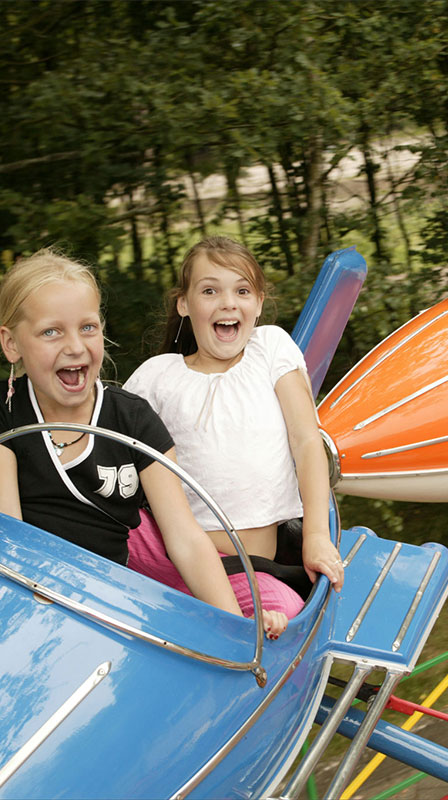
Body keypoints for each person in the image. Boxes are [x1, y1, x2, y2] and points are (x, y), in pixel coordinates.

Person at [0, 247, 288, 638]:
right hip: (37, 588)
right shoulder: (1, 408)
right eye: (51, 331)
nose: (75, 346)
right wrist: (38, 600)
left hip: (114, 594)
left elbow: (183, 537)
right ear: (11, 343)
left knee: (280, 609)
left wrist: (234, 624)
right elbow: (8, 529)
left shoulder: (132, 418)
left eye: (88, 328)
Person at [125, 236, 344, 621]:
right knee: (86, 516)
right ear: (184, 304)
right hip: (163, 553)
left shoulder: (269, 349)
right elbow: (110, 451)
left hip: (243, 571)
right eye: (210, 290)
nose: (228, 302)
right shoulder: (157, 375)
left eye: (242, 290)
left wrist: (316, 535)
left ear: (258, 303)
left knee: (288, 613)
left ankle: (243, 625)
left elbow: (307, 441)